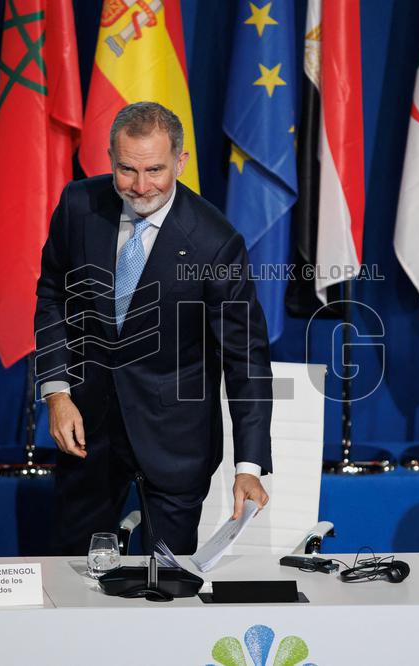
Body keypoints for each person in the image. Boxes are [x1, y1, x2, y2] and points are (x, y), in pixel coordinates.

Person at [35, 101, 272, 555]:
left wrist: (249, 465)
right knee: (72, 580)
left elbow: (246, 358)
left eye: (155, 170)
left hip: (176, 442)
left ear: (180, 162)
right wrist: (57, 393)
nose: (141, 186)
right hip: (87, 432)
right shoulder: (79, 205)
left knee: (168, 586)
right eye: (127, 169)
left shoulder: (215, 241)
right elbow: (53, 298)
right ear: (110, 158)